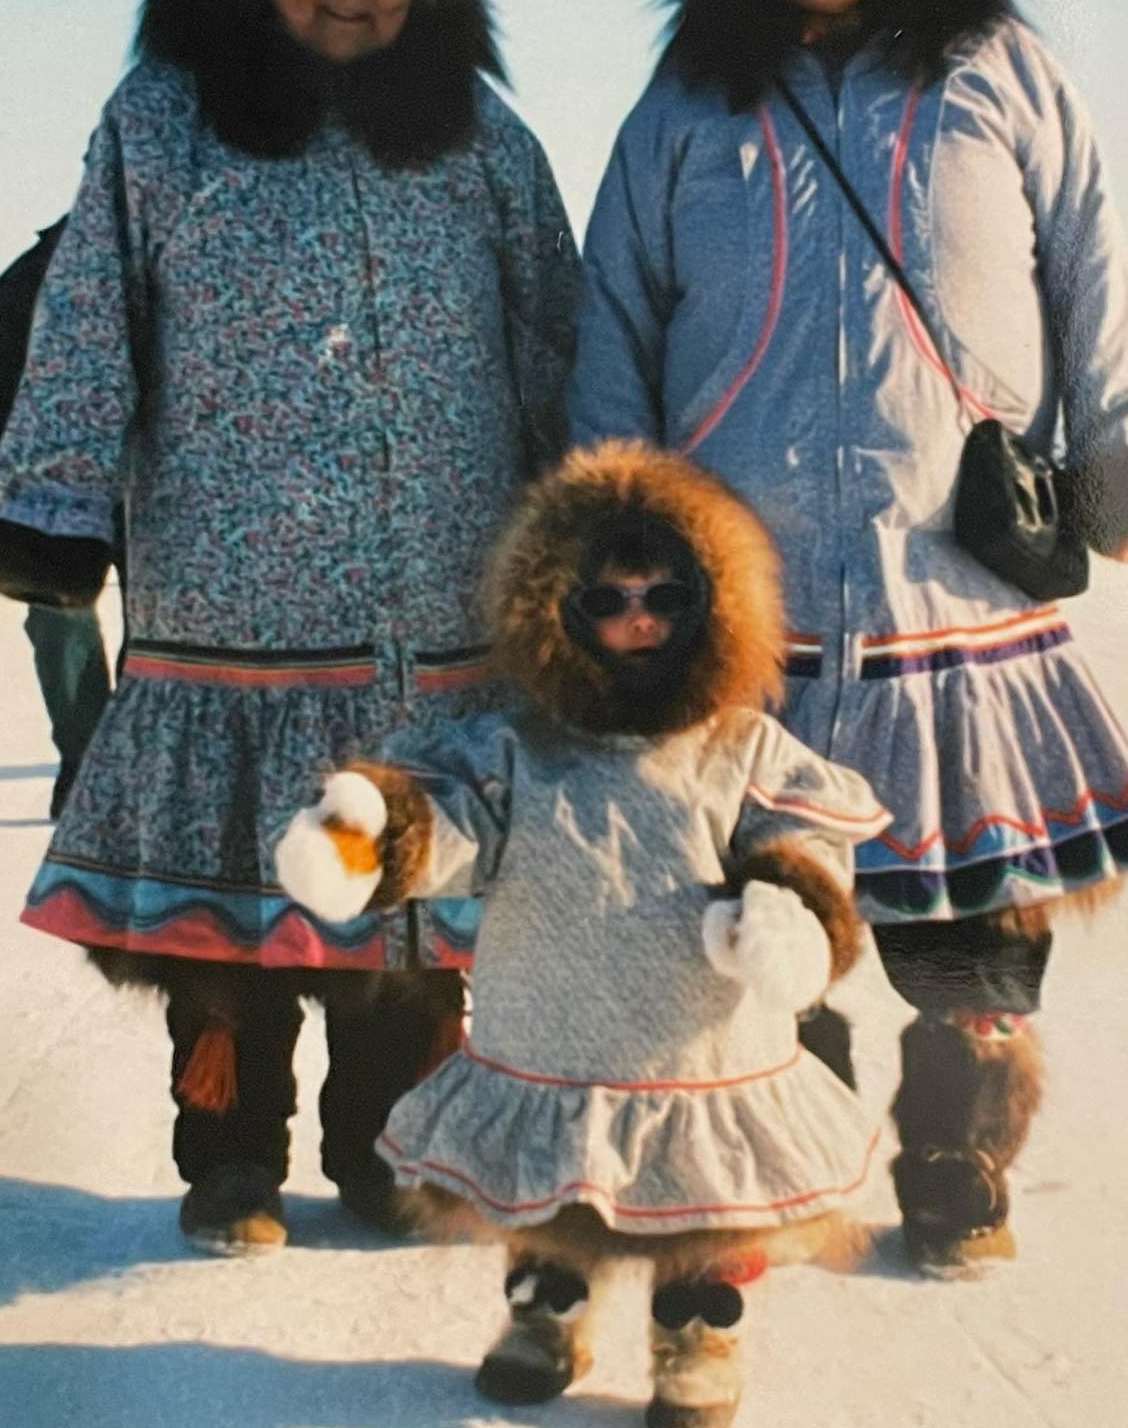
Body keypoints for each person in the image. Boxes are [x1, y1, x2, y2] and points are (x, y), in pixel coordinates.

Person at [568, 0, 1128, 1269]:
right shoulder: (683, 100)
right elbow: (614, 309)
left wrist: (1126, 451)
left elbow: (1088, 261)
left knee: (973, 924)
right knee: (741, 920)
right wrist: (611, 512)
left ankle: (956, 1152)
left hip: (952, 584)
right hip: (746, 599)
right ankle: (788, 1133)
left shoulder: (998, 67)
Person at [0, 0, 580, 1253]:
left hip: (438, 608)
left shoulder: (483, 138)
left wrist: (587, 524)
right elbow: (86, 320)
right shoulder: (162, 117)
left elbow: (555, 331)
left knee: (404, 912)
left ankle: (388, 1154)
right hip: (227, 604)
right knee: (233, 914)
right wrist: (55, 502)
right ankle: (232, 1161)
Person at [274, 440, 883, 1426]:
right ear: (552, 609)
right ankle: (547, 1315)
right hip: (550, 1036)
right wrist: (373, 844)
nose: (635, 617)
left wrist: (793, 910)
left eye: (662, 597)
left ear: (709, 606)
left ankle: (699, 1333)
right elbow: (453, 822)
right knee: (550, 1203)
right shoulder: (515, 746)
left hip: (703, 1045)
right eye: (603, 599)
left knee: (706, 1206)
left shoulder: (742, 745)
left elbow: (803, 833)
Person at [0, 216, 113, 820]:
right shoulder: (38, 272)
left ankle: (123, 764)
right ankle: (91, 767)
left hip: (158, 468)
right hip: (61, 470)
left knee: (168, 631)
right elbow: (2, 378)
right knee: (60, 620)